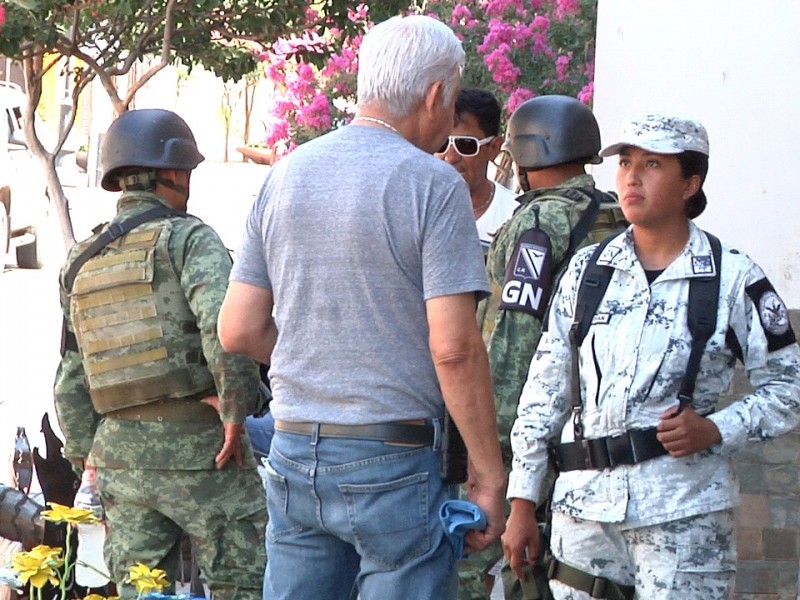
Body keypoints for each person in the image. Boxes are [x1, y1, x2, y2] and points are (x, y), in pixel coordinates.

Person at [217, 14, 506, 600]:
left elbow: (238, 329)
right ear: (436, 95)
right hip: (393, 460)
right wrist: (489, 473)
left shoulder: (286, 174)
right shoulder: (434, 184)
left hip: (295, 449)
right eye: (451, 104)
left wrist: (320, 348)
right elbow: (453, 348)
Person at [502, 113, 800, 599]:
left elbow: (789, 387)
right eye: (624, 163)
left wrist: (716, 428)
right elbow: (545, 389)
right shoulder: (588, 271)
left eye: (653, 164)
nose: (632, 177)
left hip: (684, 514)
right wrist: (522, 501)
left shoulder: (733, 277)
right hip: (584, 516)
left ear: (690, 183)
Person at [53, 109, 267, 600]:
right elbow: (226, 332)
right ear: (171, 172)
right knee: (242, 586)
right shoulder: (190, 239)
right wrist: (237, 412)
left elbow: (71, 372)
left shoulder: (81, 260)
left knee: (138, 591)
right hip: (206, 452)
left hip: (121, 458)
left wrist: (85, 452)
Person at [474, 95, 626, 598]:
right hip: (600, 423)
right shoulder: (615, 213)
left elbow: (516, 332)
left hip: (538, 429)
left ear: (524, 150)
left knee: (515, 566)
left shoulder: (540, 223)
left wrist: (492, 442)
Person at [435, 88, 519, 254]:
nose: (451, 157)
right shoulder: (412, 214)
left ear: (494, 147)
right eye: (442, 143)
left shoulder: (515, 217)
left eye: (465, 144)